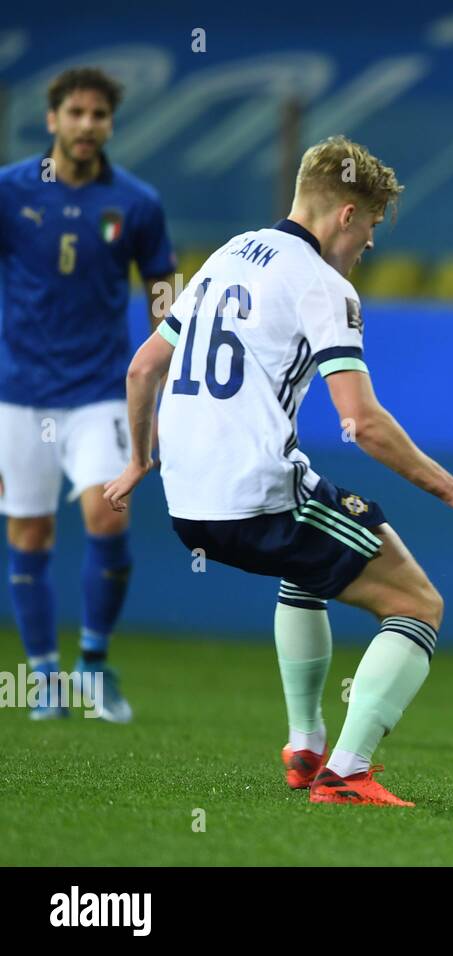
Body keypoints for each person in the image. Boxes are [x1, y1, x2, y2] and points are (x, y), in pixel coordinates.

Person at [103, 136, 453, 807]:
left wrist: (140, 458)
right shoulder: (323, 286)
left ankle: (304, 744)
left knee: (309, 563)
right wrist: (448, 485)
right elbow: (362, 422)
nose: (370, 243)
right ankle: (345, 772)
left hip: (187, 506)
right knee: (416, 603)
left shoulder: (226, 256)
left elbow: (143, 368)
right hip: (254, 497)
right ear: (345, 216)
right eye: (371, 226)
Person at [0, 67, 176, 721]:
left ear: (110, 124)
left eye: (98, 115)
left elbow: (163, 287)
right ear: (51, 119)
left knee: (109, 514)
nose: (85, 125)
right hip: (18, 393)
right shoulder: (11, 192)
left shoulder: (135, 203)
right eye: (75, 113)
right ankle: (44, 676)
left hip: (99, 389)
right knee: (30, 529)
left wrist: (166, 368)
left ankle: (94, 666)